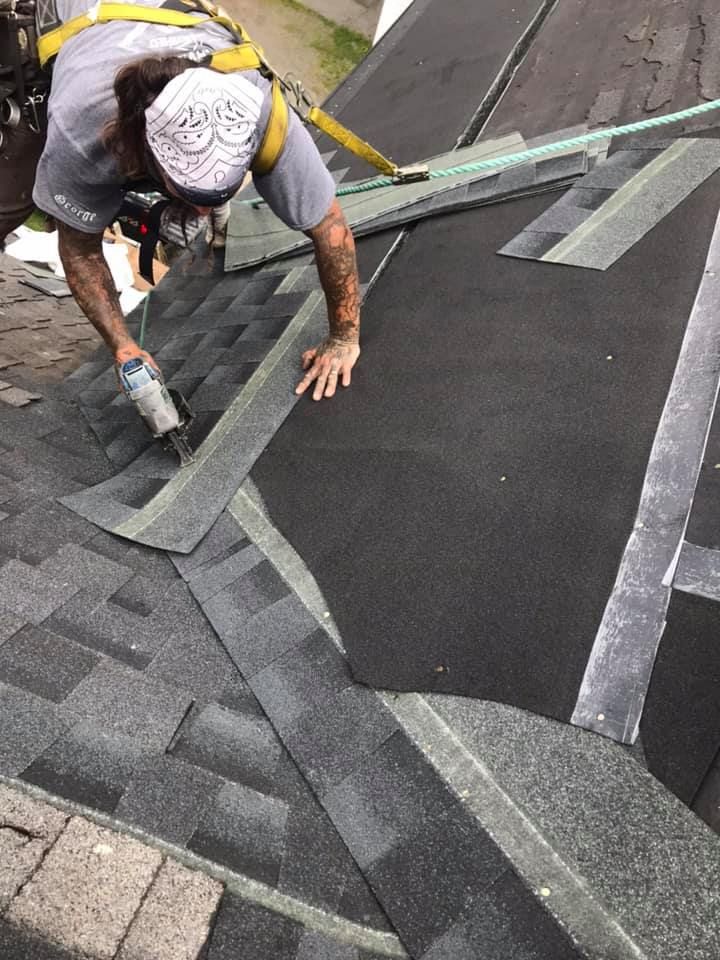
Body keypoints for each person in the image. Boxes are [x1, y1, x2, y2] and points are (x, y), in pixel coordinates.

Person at [0, 0, 361, 401]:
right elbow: (80, 249)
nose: (203, 211)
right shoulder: (82, 132)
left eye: (219, 195)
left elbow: (331, 228)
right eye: (194, 196)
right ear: (148, 155)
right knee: (11, 202)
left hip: (152, 19)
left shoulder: (266, 116)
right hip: (67, 14)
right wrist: (123, 347)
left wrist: (343, 338)